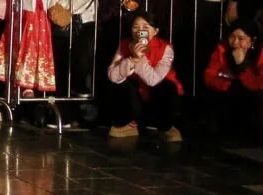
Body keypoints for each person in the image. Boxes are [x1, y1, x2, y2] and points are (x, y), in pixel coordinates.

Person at [106, 10, 184, 142]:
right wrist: (132, 59)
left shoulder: (166, 48)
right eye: (135, 27)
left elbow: (153, 80)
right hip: (137, 98)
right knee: (120, 84)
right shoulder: (124, 44)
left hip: (156, 97)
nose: (140, 31)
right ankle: (127, 123)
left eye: (145, 27)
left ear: (155, 31)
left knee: (167, 86)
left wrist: (140, 59)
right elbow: (112, 76)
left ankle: (166, 127)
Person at [203, 22, 263, 136]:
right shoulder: (222, 48)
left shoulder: (260, 53)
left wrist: (242, 64)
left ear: (252, 40)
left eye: (241, 38)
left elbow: (258, 84)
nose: (235, 42)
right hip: (226, 91)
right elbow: (209, 76)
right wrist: (228, 85)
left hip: (251, 96)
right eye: (232, 36)